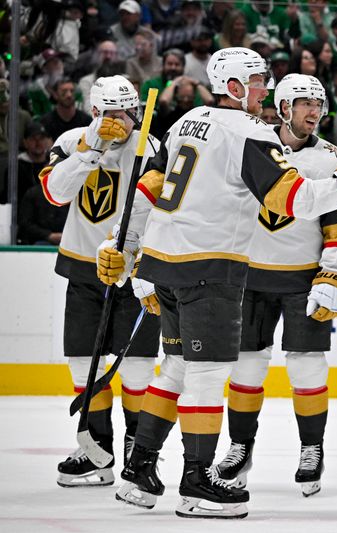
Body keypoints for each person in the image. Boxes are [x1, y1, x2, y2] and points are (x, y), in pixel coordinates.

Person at [107, 48, 337, 518]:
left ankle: (139, 470)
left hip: (162, 263)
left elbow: (149, 187)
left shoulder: (186, 120)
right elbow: (291, 201)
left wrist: (127, 246)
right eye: (259, 82)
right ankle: (197, 483)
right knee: (207, 377)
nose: (266, 90)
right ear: (235, 87)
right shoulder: (249, 132)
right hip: (207, 269)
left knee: (175, 369)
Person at [210, 74, 337, 498]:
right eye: (305, 102)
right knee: (246, 367)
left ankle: (313, 449)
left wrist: (334, 274)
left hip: (302, 279)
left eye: (319, 104)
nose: (314, 111)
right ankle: (240, 446)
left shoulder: (332, 158)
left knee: (307, 366)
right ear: (285, 106)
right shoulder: (251, 142)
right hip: (248, 278)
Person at [37, 76, 161, 488]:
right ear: (94, 113)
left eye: (128, 113)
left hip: (134, 269)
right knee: (82, 361)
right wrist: (92, 150)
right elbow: (55, 193)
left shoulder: (151, 148)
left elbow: (161, 211)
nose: (121, 122)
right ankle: (97, 450)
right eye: (111, 114)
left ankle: (136, 450)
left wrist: (142, 262)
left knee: (139, 368)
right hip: (81, 266)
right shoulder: (74, 140)